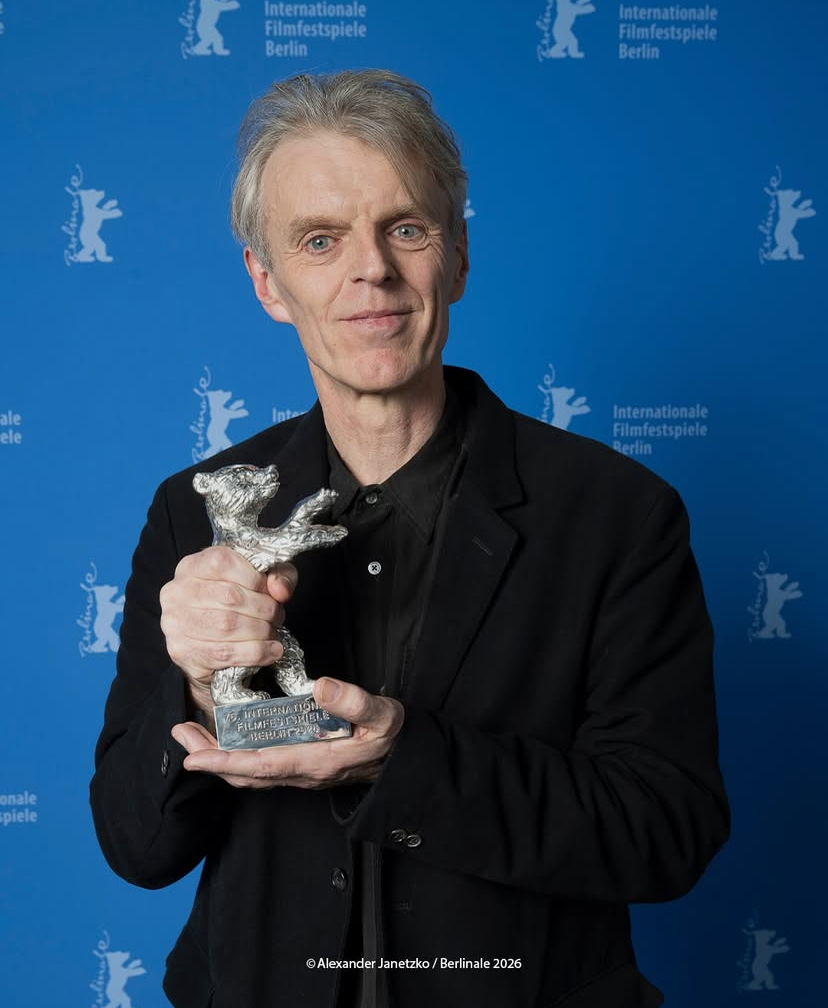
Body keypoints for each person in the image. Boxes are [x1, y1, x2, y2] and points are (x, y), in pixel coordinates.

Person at [90, 69, 729, 1008]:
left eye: (406, 229)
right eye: (320, 239)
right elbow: (136, 847)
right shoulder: (196, 512)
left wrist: (405, 761)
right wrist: (195, 684)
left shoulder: (618, 514)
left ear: (457, 256)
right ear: (268, 282)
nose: (372, 271)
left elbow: (666, 832)